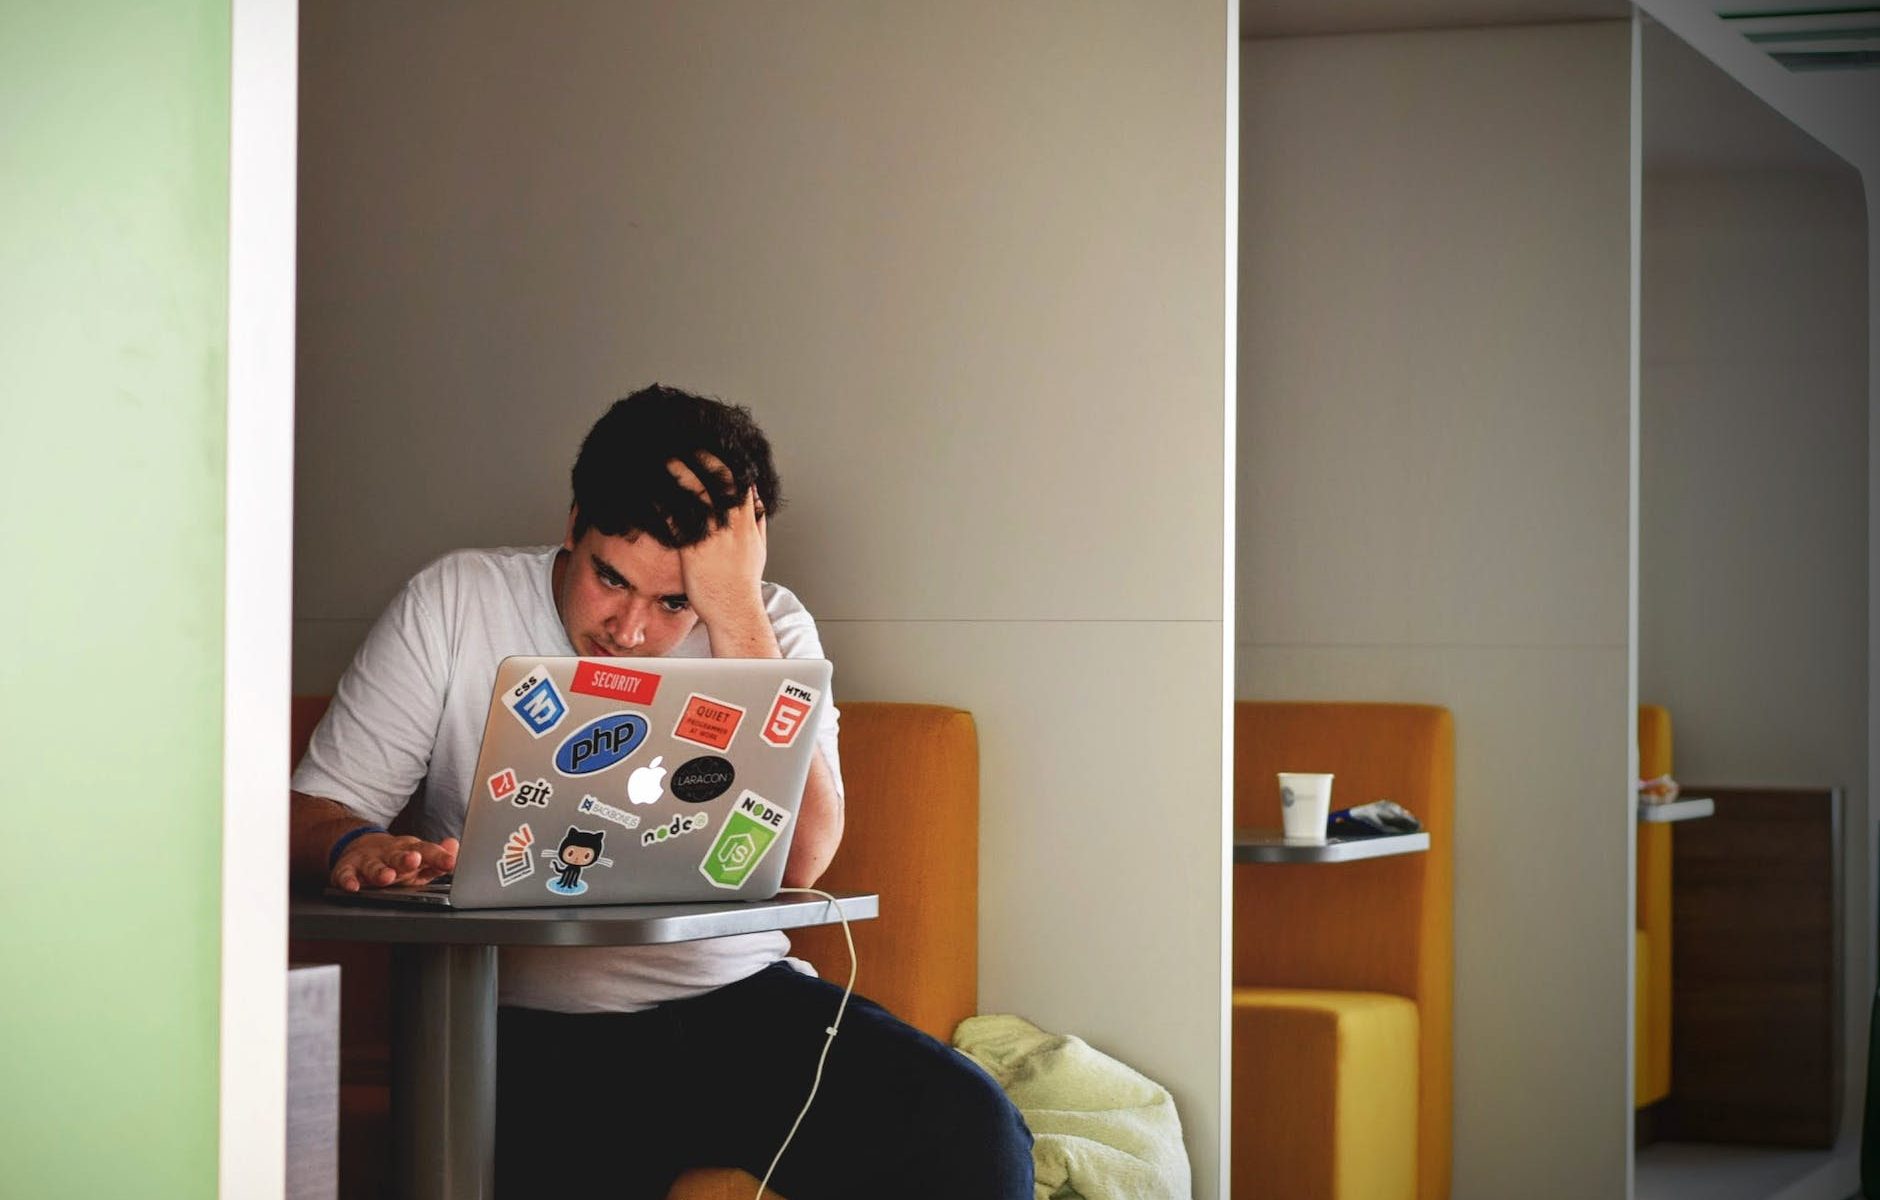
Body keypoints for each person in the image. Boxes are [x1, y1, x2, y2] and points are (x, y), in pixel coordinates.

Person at [288, 384, 1034, 1198]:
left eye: (673, 601)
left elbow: (808, 858)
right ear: (574, 523)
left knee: (977, 1135)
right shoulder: (456, 601)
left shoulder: (767, 627)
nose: (631, 630)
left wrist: (735, 613)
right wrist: (360, 846)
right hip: (519, 1029)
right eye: (611, 580)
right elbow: (310, 813)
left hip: (736, 1006)